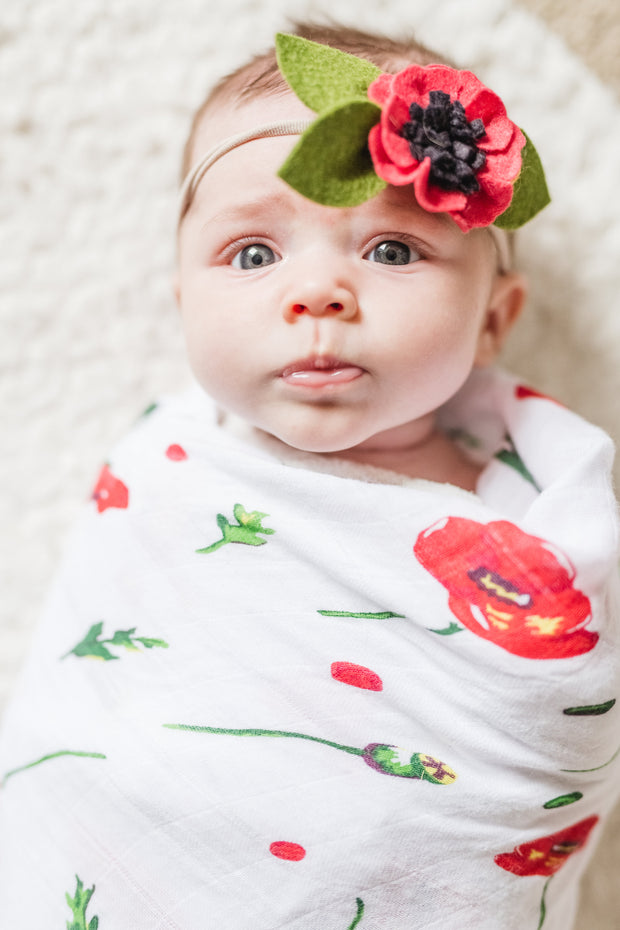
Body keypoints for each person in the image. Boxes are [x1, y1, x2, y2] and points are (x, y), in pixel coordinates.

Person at [0, 22, 618, 930]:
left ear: (495, 319)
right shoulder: (167, 469)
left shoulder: (541, 522)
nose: (319, 292)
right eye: (254, 255)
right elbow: (92, 728)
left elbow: (542, 730)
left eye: (392, 250)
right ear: (184, 303)